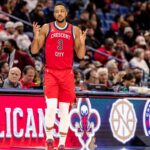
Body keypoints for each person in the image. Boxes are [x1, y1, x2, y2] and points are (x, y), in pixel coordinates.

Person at [31, 2, 87, 150]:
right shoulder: (46, 27)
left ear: (66, 13)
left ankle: (61, 143)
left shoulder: (74, 29)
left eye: (62, 11)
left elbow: (81, 55)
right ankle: (49, 139)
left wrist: (82, 43)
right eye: (57, 11)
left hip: (67, 74)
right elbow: (35, 51)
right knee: (50, 108)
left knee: (64, 111)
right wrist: (36, 37)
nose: (59, 13)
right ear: (54, 14)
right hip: (51, 73)